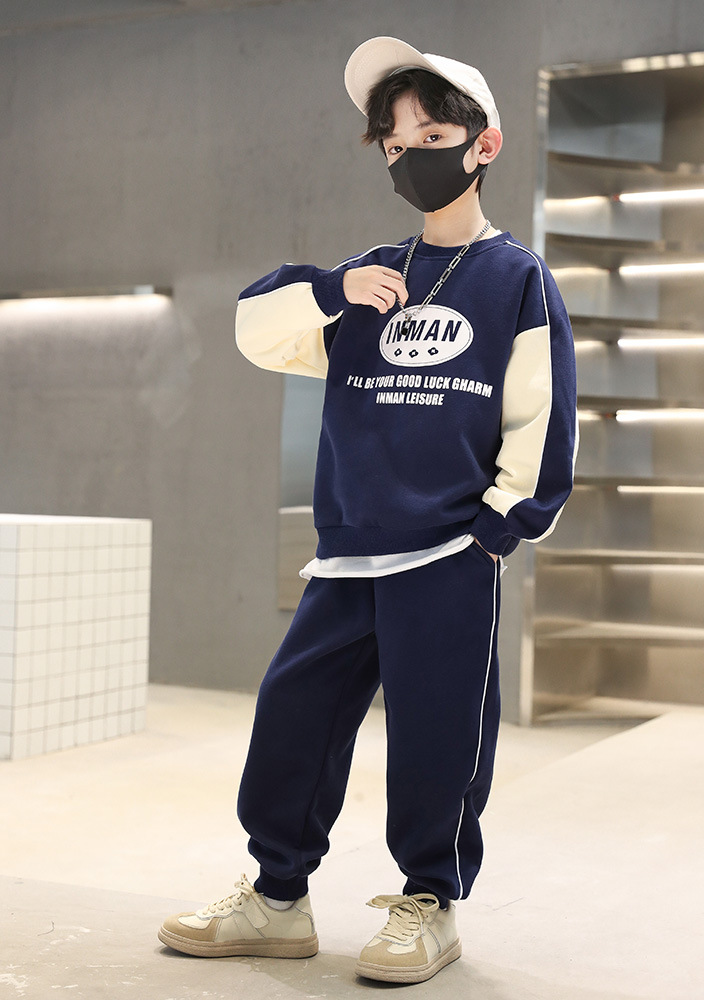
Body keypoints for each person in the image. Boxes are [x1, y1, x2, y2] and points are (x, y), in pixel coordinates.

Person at [158, 35, 577, 985]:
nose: (410, 156)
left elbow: (543, 422)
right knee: (293, 719)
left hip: (448, 553)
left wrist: (496, 531)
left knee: (439, 737)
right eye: (394, 144)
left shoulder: (517, 279)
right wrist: (330, 288)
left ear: (483, 145)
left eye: (431, 137)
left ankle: (430, 902)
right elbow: (256, 330)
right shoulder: (369, 278)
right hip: (349, 549)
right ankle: (277, 899)